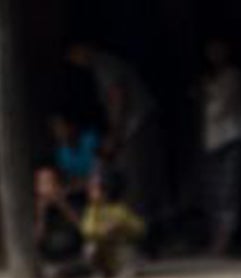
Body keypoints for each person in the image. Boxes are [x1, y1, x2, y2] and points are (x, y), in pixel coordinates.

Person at [68, 42, 167, 237]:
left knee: (136, 180)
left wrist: (115, 134)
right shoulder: (100, 67)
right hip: (130, 127)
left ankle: (144, 235)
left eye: (73, 55)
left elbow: (117, 98)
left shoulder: (104, 64)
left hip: (135, 125)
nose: (74, 61)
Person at [196, 38, 241, 257]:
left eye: (218, 50)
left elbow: (223, 107)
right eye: (211, 51)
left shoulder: (232, 76)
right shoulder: (208, 80)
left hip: (232, 136)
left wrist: (207, 92)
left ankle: (226, 239)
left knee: (230, 190)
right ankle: (218, 237)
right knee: (216, 192)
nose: (214, 55)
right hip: (214, 140)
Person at [80, 169, 147, 278]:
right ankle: (103, 272)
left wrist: (122, 226)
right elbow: (87, 230)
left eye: (94, 188)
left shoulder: (119, 210)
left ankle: (127, 268)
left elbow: (141, 228)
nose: (90, 191)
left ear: (105, 190)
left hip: (120, 253)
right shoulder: (92, 211)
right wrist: (102, 229)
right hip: (105, 254)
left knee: (126, 253)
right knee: (90, 248)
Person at [32, 165, 89, 278]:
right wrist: (41, 214)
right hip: (52, 259)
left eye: (50, 182)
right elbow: (37, 240)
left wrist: (62, 204)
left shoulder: (71, 200)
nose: (47, 187)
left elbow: (82, 228)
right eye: (43, 183)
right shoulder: (36, 207)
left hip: (73, 255)